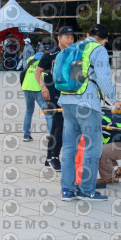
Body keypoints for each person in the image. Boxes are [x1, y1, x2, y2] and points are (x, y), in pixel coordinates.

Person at [58, 24, 121, 201]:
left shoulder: (74, 47)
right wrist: (114, 99)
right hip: (87, 104)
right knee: (93, 148)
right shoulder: (98, 49)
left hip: (67, 101)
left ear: (88, 34)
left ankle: (67, 190)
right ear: (104, 40)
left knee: (69, 148)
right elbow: (103, 77)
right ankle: (87, 190)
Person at [35, 26, 75, 171]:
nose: (70, 40)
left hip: (67, 93)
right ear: (59, 38)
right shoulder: (51, 54)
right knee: (61, 124)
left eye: (72, 38)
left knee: (56, 126)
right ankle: (55, 157)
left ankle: (49, 157)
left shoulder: (73, 54)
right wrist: (43, 87)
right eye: (67, 37)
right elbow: (37, 72)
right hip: (52, 93)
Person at [21, 46, 53, 142]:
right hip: (39, 87)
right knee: (47, 112)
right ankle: (52, 135)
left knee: (28, 111)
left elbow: (24, 72)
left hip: (26, 87)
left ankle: (26, 135)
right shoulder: (48, 59)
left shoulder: (31, 58)